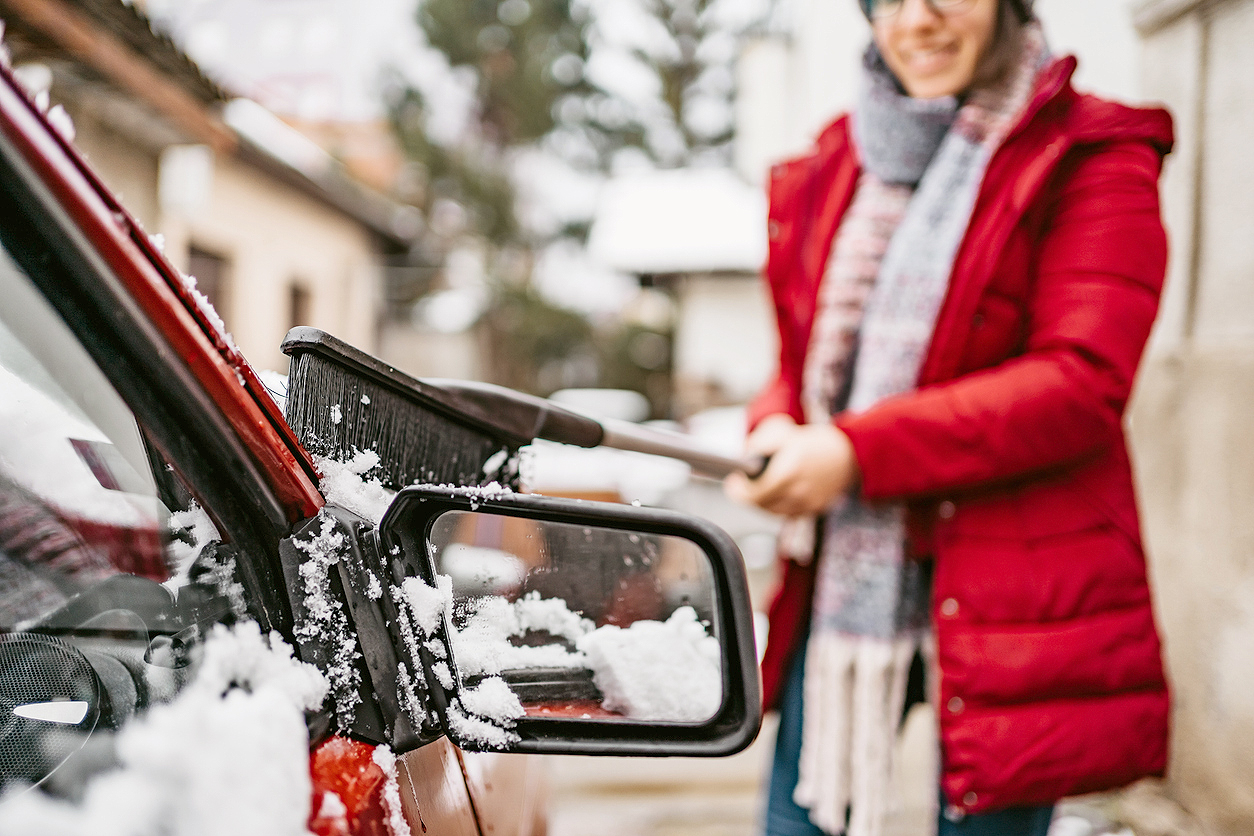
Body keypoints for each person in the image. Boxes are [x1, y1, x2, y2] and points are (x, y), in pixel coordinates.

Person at [725, 0, 1173, 834]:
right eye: (888, 0)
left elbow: (1081, 381)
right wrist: (775, 426)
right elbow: (800, 362)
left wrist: (855, 453)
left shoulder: (1091, 151)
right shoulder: (837, 161)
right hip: (844, 586)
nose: (917, 20)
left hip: (1015, 585)